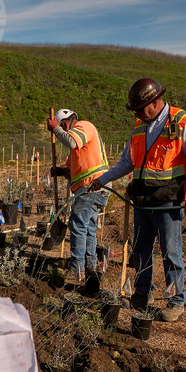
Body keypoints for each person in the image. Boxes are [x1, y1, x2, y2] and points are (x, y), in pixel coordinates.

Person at [89, 78, 186, 323]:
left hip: (168, 201)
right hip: (142, 200)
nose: (137, 114)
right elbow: (125, 163)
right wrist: (102, 179)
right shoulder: (139, 126)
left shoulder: (182, 121)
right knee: (141, 251)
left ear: (153, 102)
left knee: (171, 253)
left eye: (139, 109)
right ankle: (142, 295)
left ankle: (175, 301)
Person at [45, 109, 109, 282]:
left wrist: (55, 129)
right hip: (93, 187)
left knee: (78, 224)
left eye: (64, 125)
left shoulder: (84, 127)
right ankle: (90, 267)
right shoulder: (78, 149)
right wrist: (62, 171)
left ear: (72, 119)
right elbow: (77, 170)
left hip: (93, 186)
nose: (64, 129)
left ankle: (77, 268)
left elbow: (71, 142)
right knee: (88, 227)